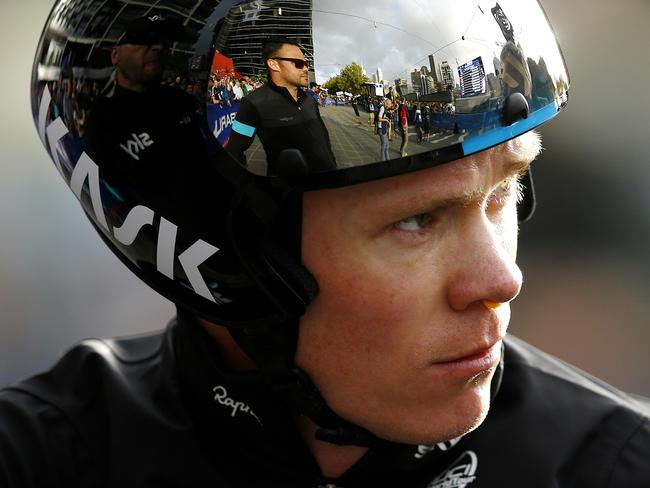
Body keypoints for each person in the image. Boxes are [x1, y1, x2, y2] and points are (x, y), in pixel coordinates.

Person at [2, 1, 650, 487]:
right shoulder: (37, 459)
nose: (501, 281)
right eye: (416, 221)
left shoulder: (617, 465)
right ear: (218, 262)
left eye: (501, 195)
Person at [226, 37, 336, 174]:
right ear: (274, 64)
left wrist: (333, 165)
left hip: (329, 181)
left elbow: (324, 139)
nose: (306, 68)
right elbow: (234, 151)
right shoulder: (253, 103)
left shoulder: (309, 99)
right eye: (298, 63)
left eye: (307, 64)